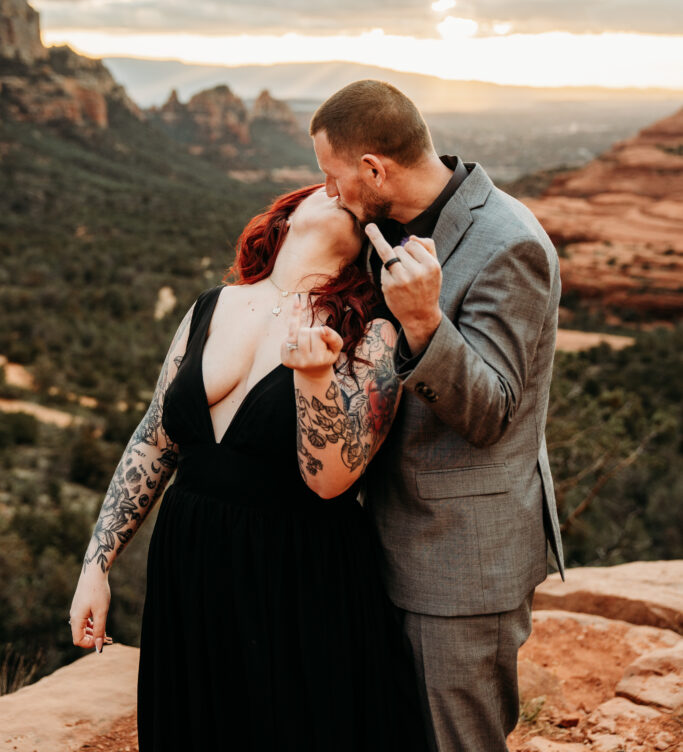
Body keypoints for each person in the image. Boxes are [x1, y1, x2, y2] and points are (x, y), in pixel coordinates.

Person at [69, 183, 429, 752]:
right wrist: (97, 565)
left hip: (299, 573)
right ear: (286, 216)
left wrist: (315, 381)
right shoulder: (210, 307)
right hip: (190, 563)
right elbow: (153, 441)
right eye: (327, 188)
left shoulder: (373, 328)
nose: (342, 194)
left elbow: (333, 479)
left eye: (358, 203)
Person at [310, 80, 565, 752]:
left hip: (460, 558)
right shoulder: (384, 226)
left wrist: (423, 320)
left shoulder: (510, 244)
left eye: (333, 177)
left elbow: (492, 412)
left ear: (373, 168)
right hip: (385, 537)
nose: (330, 193)